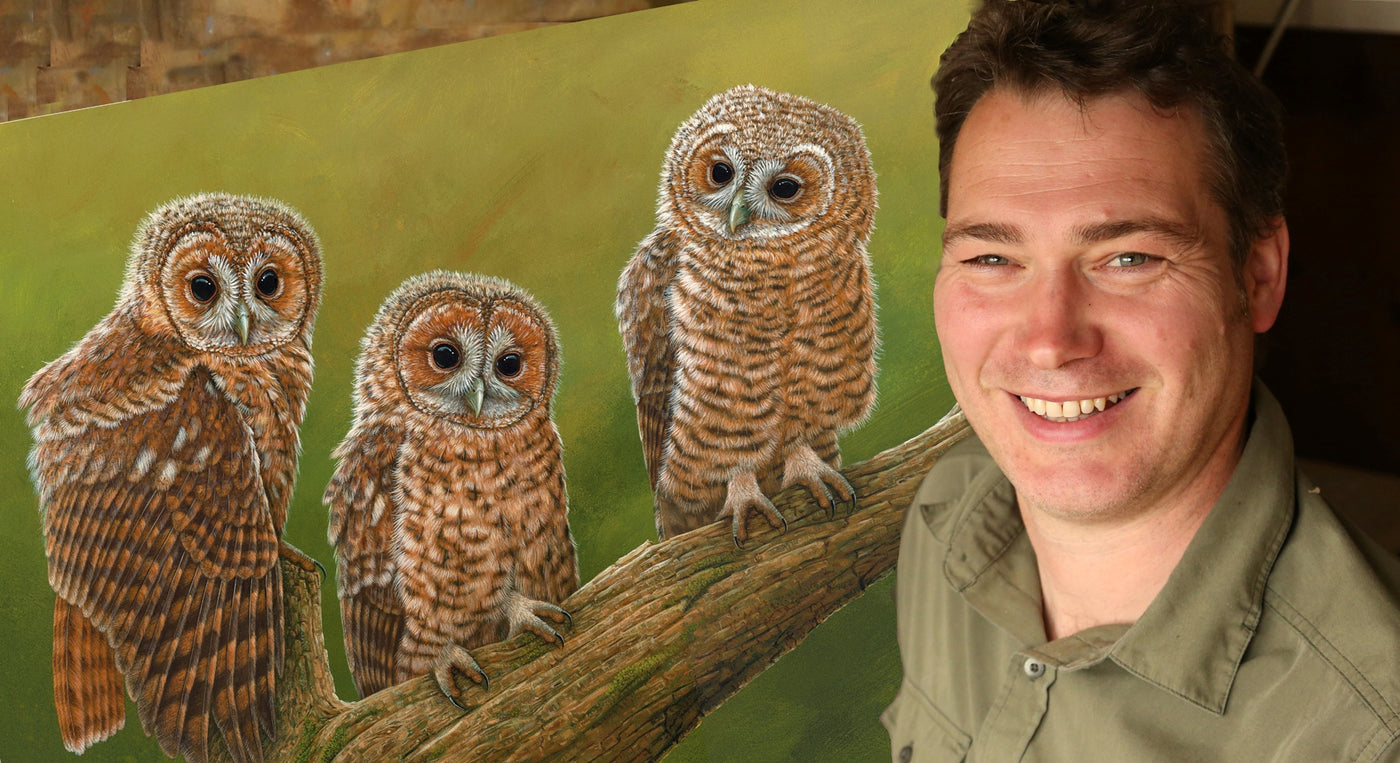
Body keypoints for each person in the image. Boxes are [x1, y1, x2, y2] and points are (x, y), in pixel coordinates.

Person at [882, 1, 1400, 760]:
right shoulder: (943, 514)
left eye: (1129, 258)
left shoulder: (1370, 731)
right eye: (992, 258)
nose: (1050, 342)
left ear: (1258, 275)